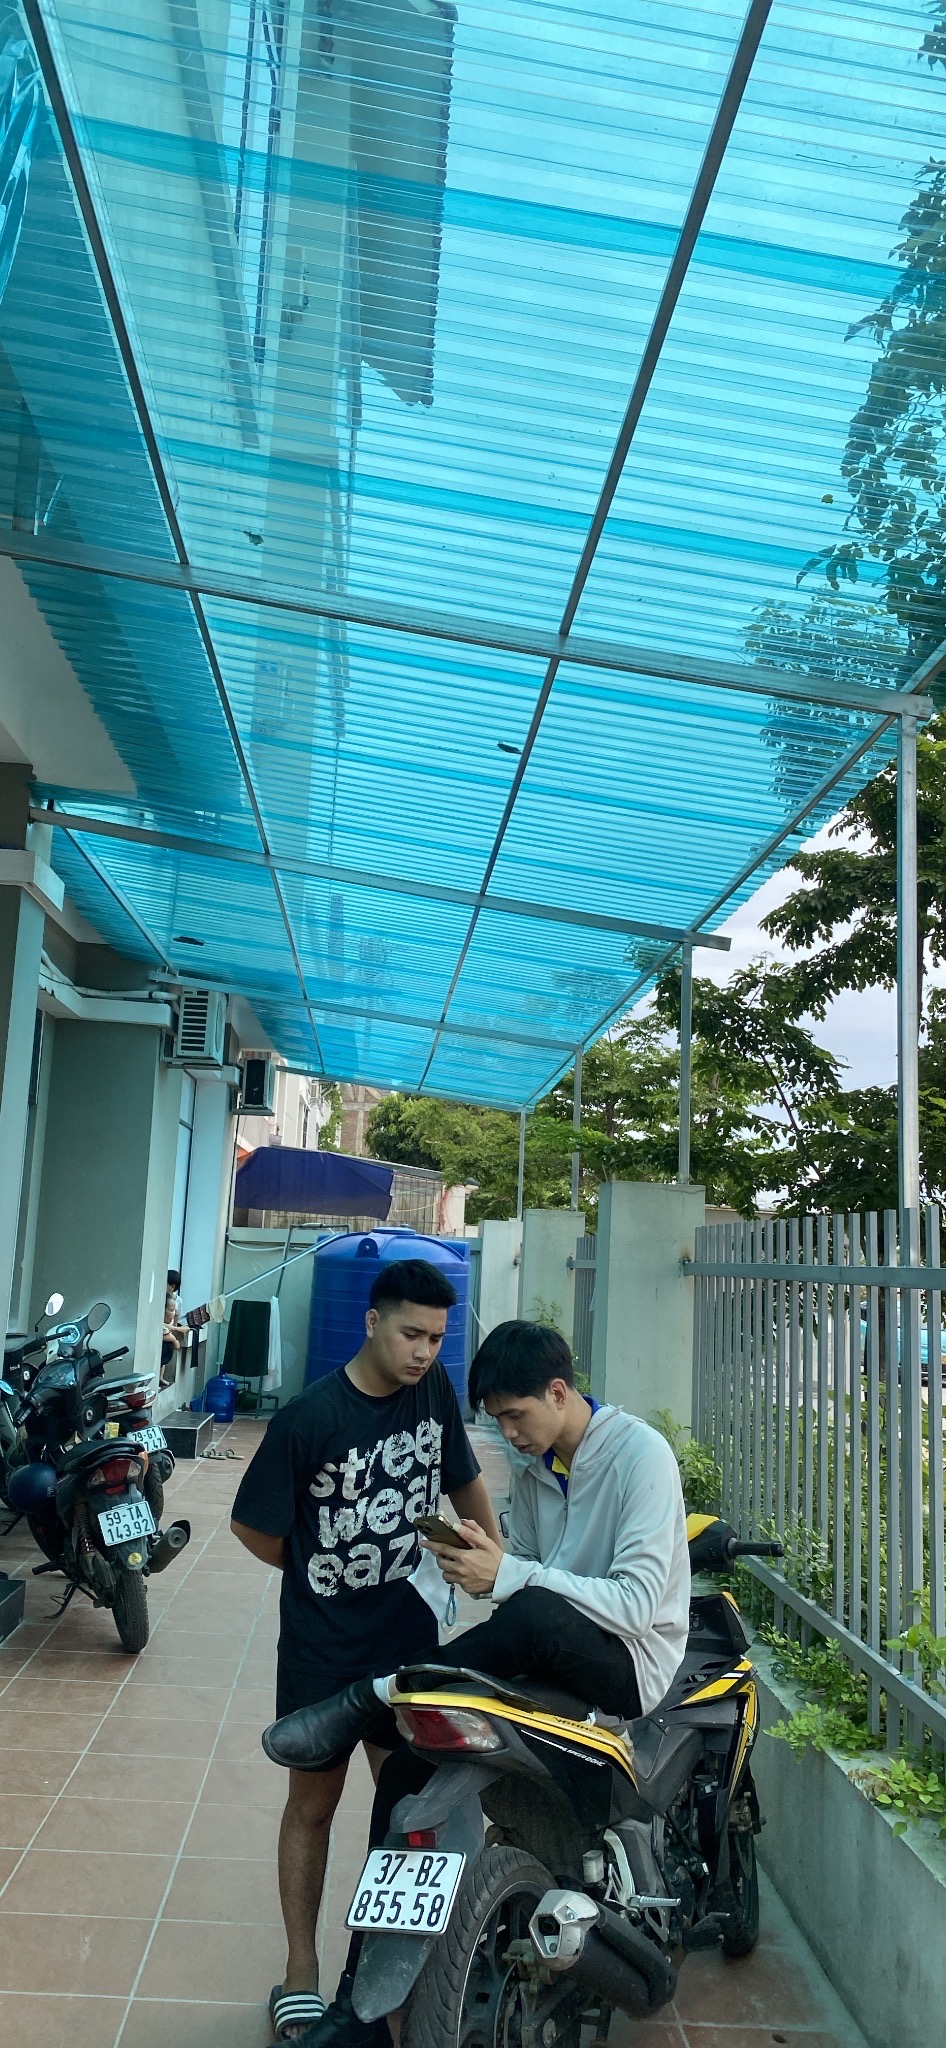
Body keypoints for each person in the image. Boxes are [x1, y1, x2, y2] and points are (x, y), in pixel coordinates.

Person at [264, 1319, 690, 2047]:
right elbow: (529, 1578)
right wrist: (487, 1566)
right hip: (551, 1656)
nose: (509, 1435)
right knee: (407, 1768)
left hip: (627, 1667)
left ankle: (375, 1692)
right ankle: (358, 2011)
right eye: (497, 1421)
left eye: (516, 1417)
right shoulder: (536, 1470)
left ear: (558, 1393)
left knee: (530, 1611)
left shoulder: (640, 1456)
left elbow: (636, 1604)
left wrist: (512, 1576)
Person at [231, 1259, 500, 2044]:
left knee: (412, 1809)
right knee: (313, 1805)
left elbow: (462, 1476)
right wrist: (322, 1570)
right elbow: (254, 1528)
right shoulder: (308, 1418)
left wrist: (496, 1558)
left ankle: (396, 1973)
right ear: (372, 1321)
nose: (425, 1351)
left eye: (437, 1338)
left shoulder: (432, 1389)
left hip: (407, 1638)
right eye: (412, 1334)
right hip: (322, 1650)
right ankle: (302, 1970)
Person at [161, 1269, 187, 1386]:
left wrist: (174, 1329)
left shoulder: (177, 1300)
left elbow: (176, 1318)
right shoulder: (161, 1298)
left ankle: (161, 1377)